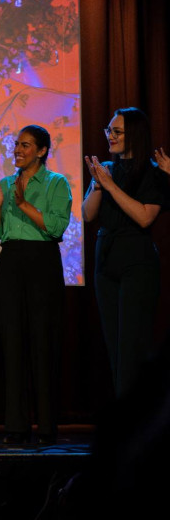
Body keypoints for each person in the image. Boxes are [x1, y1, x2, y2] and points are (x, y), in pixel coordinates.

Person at [0, 125, 71, 445]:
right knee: (12, 343)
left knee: (42, 343)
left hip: (42, 261)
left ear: (42, 151)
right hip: (11, 261)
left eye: (26, 145)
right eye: (16, 144)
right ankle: (16, 426)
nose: (18, 149)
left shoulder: (56, 183)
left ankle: (46, 426)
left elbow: (57, 228)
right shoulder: (5, 184)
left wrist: (22, 205)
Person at [82, 108, 169, 397]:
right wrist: (98, 182)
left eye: (117, 131)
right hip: (106, 258)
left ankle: (132, 425)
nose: (110, 136)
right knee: (114, 344)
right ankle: (124, 419)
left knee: (132, 345)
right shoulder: (107, 168)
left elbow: (144, 217)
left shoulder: (152, 172)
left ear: (134, 134)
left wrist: (110, 185)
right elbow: (87, 214)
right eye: (109, 130)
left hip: (137, 260)